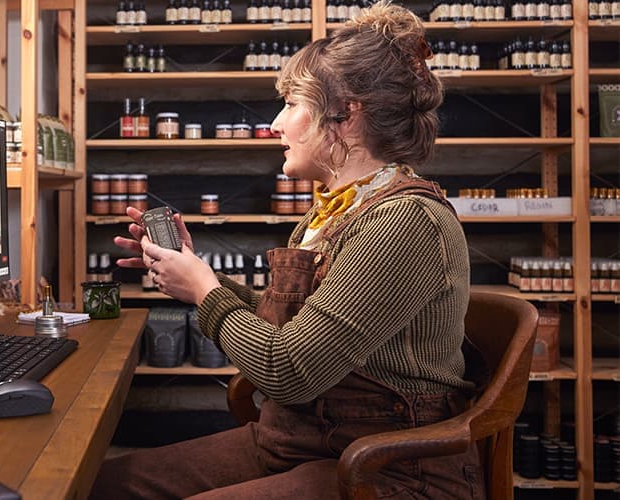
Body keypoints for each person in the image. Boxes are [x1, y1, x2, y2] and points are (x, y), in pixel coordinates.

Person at [91, 2, 484, 498]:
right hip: (301, 441)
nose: (276, 124)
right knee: (105, 484)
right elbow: (296, 332)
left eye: (292, 103)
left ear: (346, 113)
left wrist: (206, 291)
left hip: (387, 464)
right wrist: (193, 276)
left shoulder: (404, 222)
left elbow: (290, 370)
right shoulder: (335, 212)